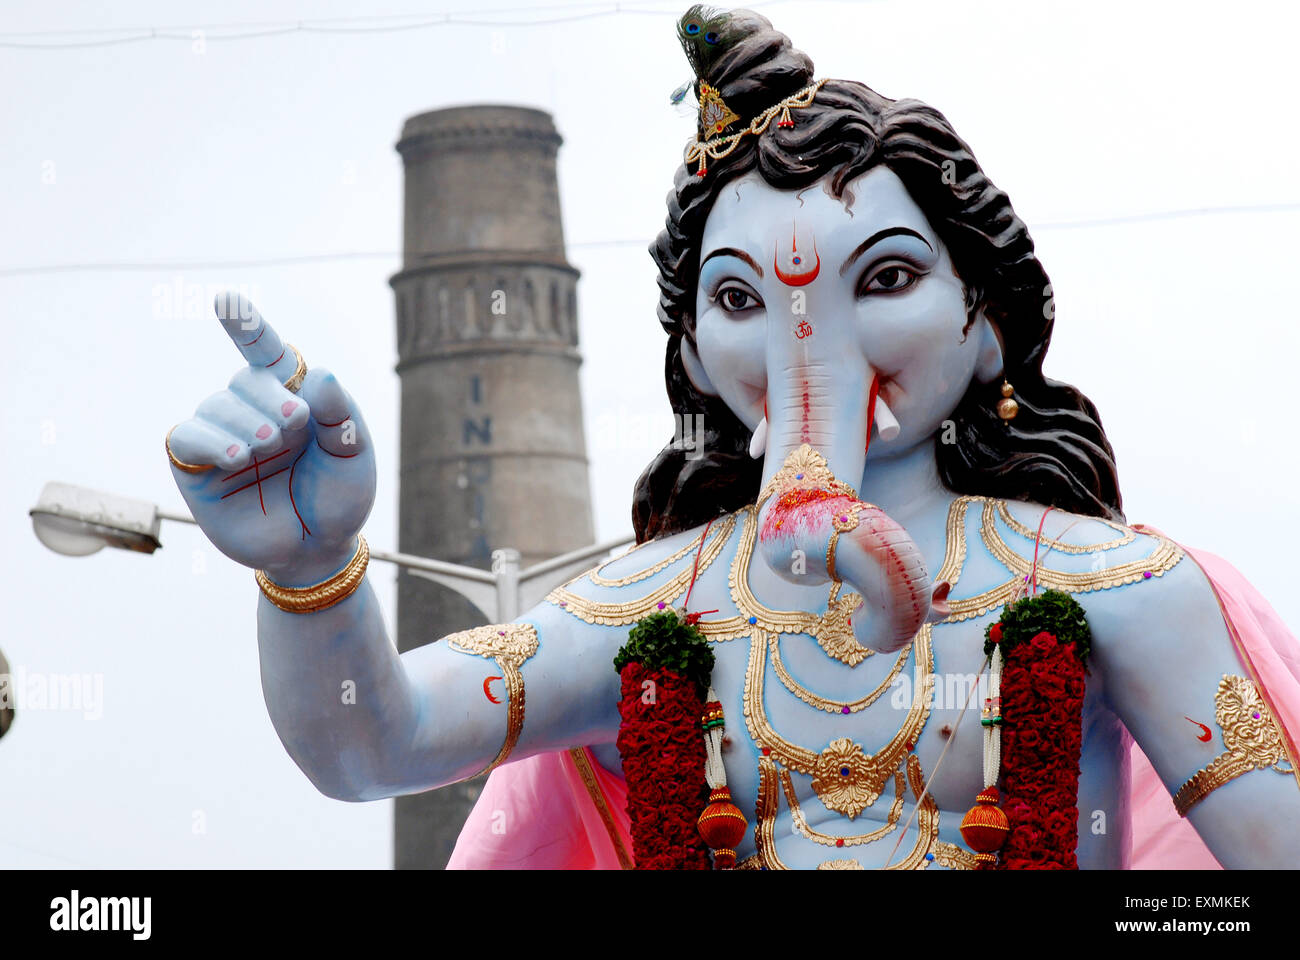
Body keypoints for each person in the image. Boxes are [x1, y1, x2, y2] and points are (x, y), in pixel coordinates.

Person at [165, 5, 1300, 869]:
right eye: (743, 300)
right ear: (699, 356)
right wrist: (310, 570)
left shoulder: (1122, 591)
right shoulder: (640, 616)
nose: (813, 352)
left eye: (888, 279)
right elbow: (375, 745)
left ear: (988, 322)